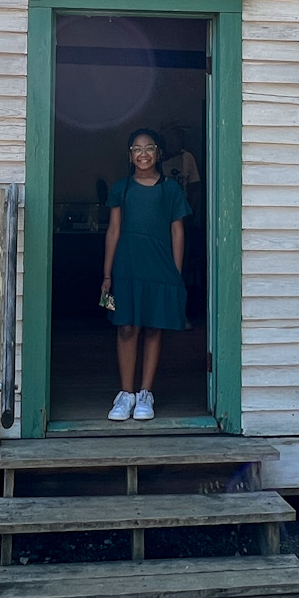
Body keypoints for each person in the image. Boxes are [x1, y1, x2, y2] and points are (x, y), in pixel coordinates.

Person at [100, 128, 189, 421]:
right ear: (130, 155)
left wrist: (176, 272)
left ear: (158, 153)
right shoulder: (122, 188)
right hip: (127, 266)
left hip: (160, 268)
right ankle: (125, 394)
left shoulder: (171, 189)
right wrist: (107, 274)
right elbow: (113, 231)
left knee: (153, 327)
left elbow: (177, 230)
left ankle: (145, 394)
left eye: (149, 148)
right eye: (137, 149)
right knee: (126, 327)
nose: (143, 154)